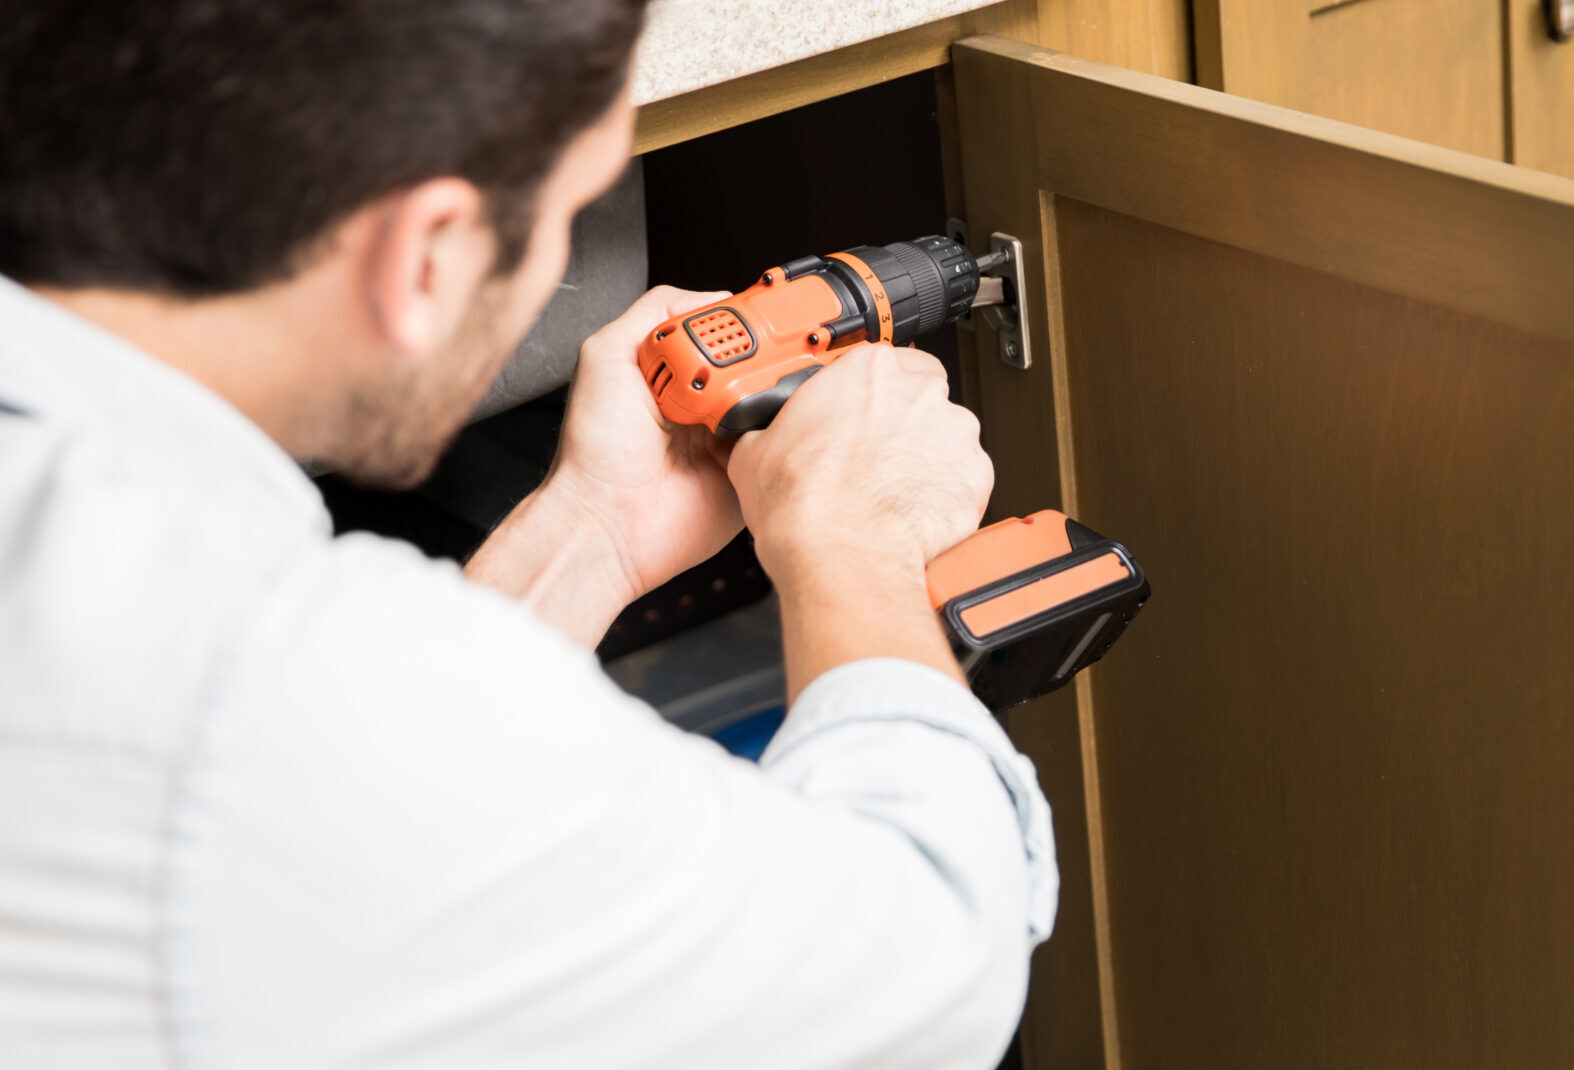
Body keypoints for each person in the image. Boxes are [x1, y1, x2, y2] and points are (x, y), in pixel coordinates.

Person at [0, 3, 1056, 1068]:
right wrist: (855, 541)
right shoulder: (245, 699)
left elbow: (374, 798)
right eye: (566, 209)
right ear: (424, 258)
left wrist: (593, 528)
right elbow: (918, 973)